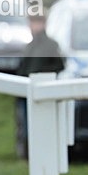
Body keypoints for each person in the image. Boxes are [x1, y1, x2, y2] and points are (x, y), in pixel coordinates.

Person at [15, 10, 64, 159]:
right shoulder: (30, 45)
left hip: (40, 91)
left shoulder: (51, 45)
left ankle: (39, 154)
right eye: (31, 22)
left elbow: (59, 66)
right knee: (24, 124)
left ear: (43, 23)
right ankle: (26, 153)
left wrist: (42, 77)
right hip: (24, 91)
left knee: (39, 125)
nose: (32, 26)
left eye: (35, 22)